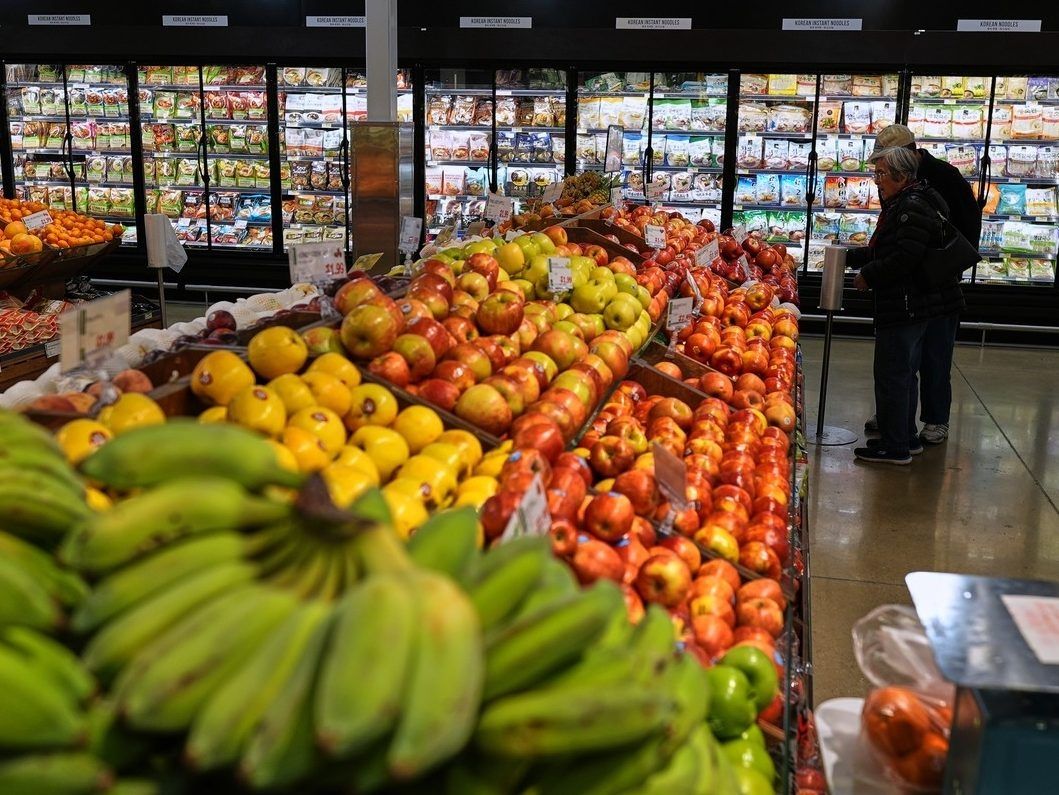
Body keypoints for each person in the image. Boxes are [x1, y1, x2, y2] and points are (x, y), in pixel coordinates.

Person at [847, 146, 966, 464]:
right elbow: (897, 247)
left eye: (882, 174)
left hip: (906, 303)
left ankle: (896, 445)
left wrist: (868, 274)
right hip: (918, 302)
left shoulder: (910, 206)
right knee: (904, 372)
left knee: (893, 372)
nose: (877, 181)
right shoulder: (914, 199)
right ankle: (907, 438)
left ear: (901, 176)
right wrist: (854, 256)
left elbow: (904, 258)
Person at [863, 124, 980, 445]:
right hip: (911, 286)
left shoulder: (942, 177)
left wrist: (949, 265)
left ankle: (935, 419)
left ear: (908, 156)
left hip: (938, 281)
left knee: (935, 355)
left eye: (883, 168)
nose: (879, 177)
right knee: (905, 358)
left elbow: (969, 224)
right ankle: (896, 418)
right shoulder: (899, 180)